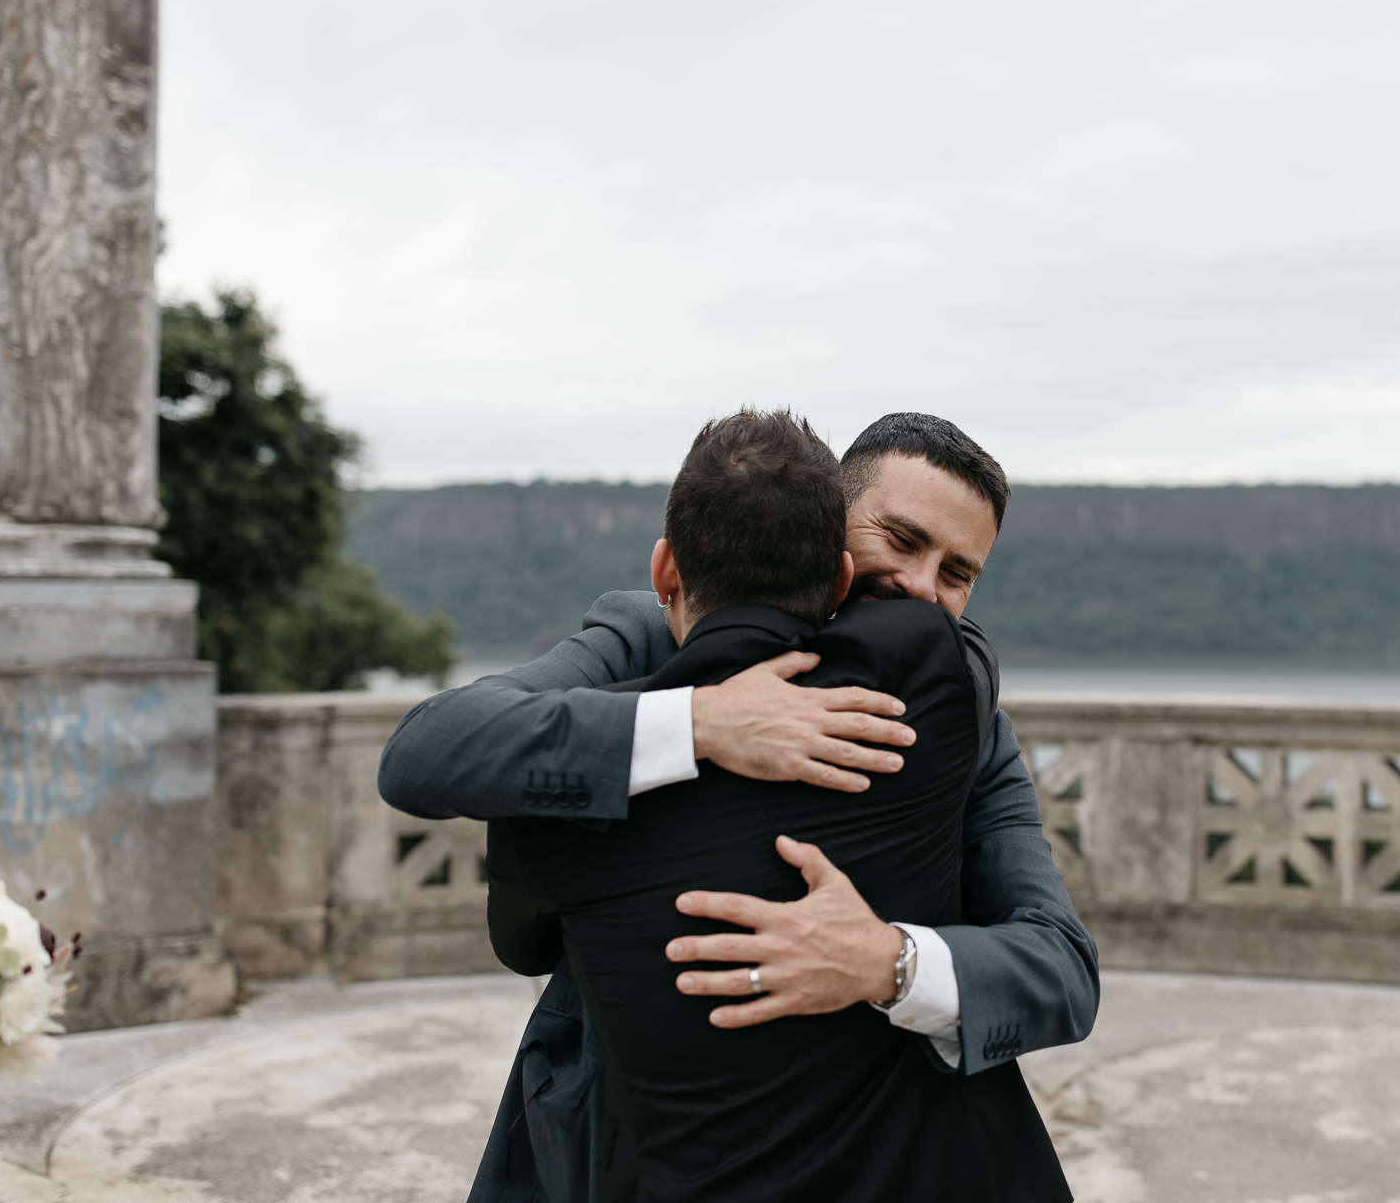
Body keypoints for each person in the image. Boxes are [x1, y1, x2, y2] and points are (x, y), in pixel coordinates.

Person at [375, 412, 1098, 1201]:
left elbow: (1061, 970)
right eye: (901, 538)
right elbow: (428, 750)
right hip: (621, 1136)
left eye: (957, 573)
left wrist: (888, 962)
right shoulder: (647, 638)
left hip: (894, 1145)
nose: (923, 588)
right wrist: (698, 723)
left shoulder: (960, 717)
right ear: (830, 531)